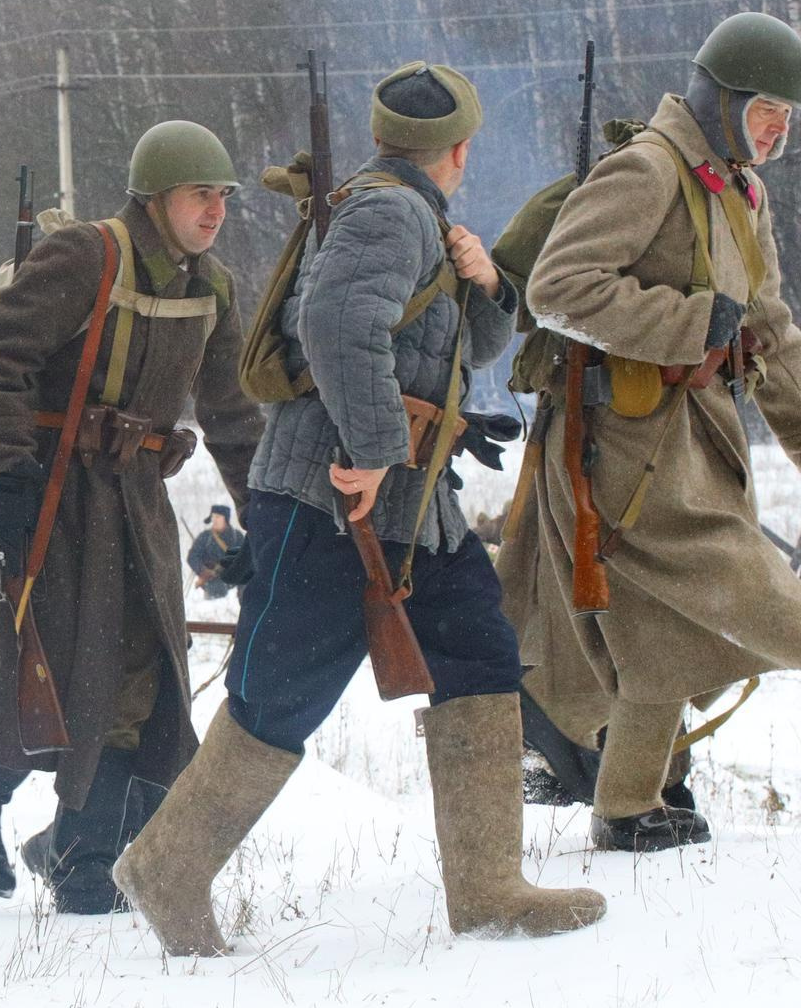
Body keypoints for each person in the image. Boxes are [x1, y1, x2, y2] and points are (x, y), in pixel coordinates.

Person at [117, 64, 603, 955]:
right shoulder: (389, 211)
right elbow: (337, 322)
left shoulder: (419, 215)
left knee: (480, 654)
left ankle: (490, 887)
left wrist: (489, 281)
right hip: (332, 492)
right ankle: (167, 868)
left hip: (409, 499)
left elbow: (470, 348)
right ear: (458, 148)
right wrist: (378, 450)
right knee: (280, 692)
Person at [500, 12, 801, 853]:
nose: (779, 128)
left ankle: (632, 802)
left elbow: (769, 320)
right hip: (618, 441)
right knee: (754, 617)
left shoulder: (739, 189)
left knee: (656, 631)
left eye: (789, 116)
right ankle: (612, 782)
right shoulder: (650, 170)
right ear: (725, 98)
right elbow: (556, 287)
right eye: (769, 108)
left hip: (693, 437)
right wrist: (690, 323)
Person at [0, 120, 263, 913]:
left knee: (139, 680)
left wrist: (267, 516)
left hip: (137, 502)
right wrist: (6, 476)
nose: (214, 211)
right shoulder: (87, 255)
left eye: (222, 196)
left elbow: (234, 415)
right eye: (199, 195)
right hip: (49, 497)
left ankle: (82, 861)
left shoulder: (211, 288)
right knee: (40, 669)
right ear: (157, 197)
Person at [186, 504, 246, 600]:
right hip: (211, 582)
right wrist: (203, 571)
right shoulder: (205, 537)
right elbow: (192, 557)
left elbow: (245, 559)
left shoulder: (237, 537)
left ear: (225, 519)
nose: (214, 520)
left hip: (232, 581)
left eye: (217, 517)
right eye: (213, 517)